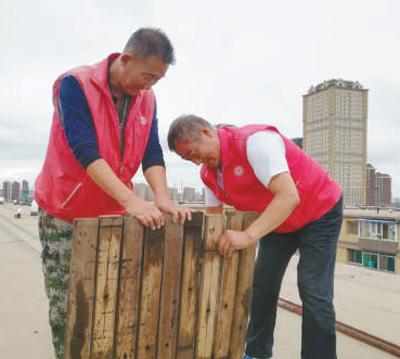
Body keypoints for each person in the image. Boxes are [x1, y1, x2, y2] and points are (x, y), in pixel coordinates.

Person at [35, 28, 191, 358]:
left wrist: (160, 197)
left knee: (110, 300)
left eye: (157, 80)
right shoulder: (75, 84)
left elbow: (151, 152)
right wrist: (133, 200)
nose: (149, 86)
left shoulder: (147, 99)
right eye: (147, 76)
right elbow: (84, 149)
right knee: (68, 306)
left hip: (111, 214)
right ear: (126, 59)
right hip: (66, 211)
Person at [167, 115, 343, 359]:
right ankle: (258, 353)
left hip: (319, 210)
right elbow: (214, 218)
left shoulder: (255, 142)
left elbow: (289, 196)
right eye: (189, 159)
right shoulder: (208, 175)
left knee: (313, 289)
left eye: (195, 152)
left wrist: (248, 236)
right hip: (280, 220)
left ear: (207, 133)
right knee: (262, 286)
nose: (197, 162)